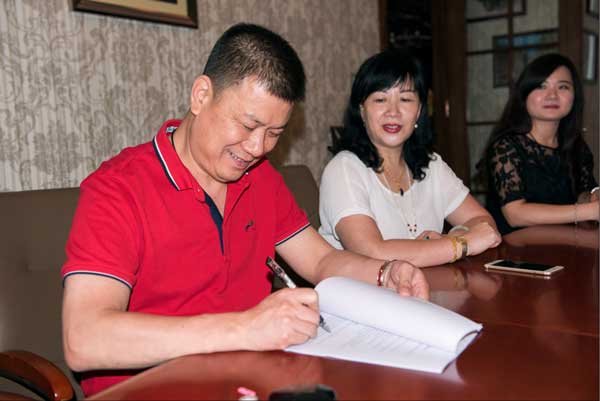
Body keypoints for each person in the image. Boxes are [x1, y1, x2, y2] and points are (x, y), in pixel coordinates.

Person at [60, 23, 429, 397]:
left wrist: (385, 272)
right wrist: (245, 328)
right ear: (201, 95)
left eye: (274, 134)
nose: (257, 148)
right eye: (248, 125)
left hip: (252, 383)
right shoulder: (119, 189)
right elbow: (84, 339)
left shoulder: (260, 178)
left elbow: (321, 261)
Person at [318, 49, 501, 268]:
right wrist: (460, 245)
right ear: (361, 110)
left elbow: (484, 224)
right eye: (380, 99)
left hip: (426, 284)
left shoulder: (431, 164)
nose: (393, 111)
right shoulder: (343, 169)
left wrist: (457, 235)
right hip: (361, 288)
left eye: (405, 99)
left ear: (419, 110)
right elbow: (370, 252)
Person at [483, 53, 599, 234]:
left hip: (565, 243)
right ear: (524, 95)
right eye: (541, 86)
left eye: (563, 87)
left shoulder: (576, 146)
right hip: (514, 248)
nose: (552, 95)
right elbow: (515, 214)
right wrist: (588, 211)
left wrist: (593, 196)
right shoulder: (505, 146)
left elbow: (582, 193)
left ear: (574, 96)